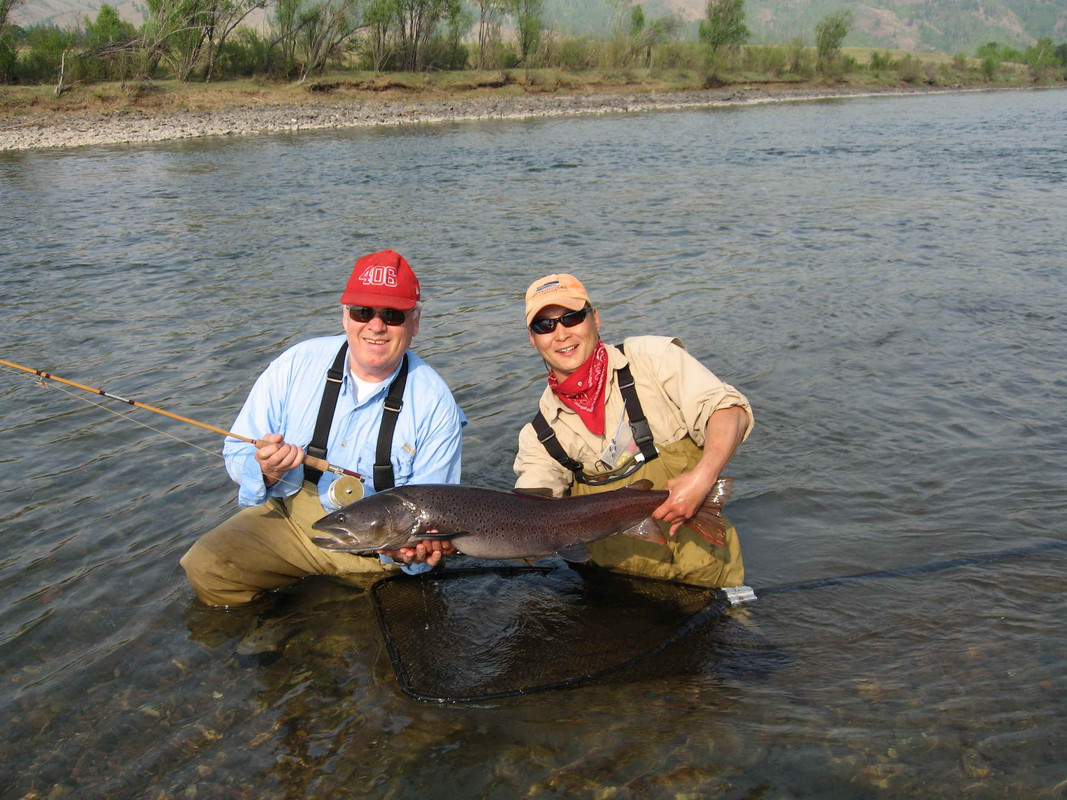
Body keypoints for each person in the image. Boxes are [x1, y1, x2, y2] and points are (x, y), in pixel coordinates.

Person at [181, 249, 465, 606]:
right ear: (345, 316)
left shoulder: (436, 403)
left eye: (392, 315)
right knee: (207, 565)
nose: (376, 326)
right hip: (294, 525)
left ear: (415, 322)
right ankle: (280, 632)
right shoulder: (296, 364)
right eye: (363, 312)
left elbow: (438, 515)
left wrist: (411, 554)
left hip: (382, 554)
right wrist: (265, 472)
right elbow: (236, 451)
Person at [513, 273, 754, 587]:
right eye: (545, 326)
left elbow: (729, 411)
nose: (560, 334)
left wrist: (703, 476)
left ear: (595, 319)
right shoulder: (539, 436)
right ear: (533, 339)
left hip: (710, 577)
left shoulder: (654, 361)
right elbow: (523, 519)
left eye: (571, 318)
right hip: (621, 593)